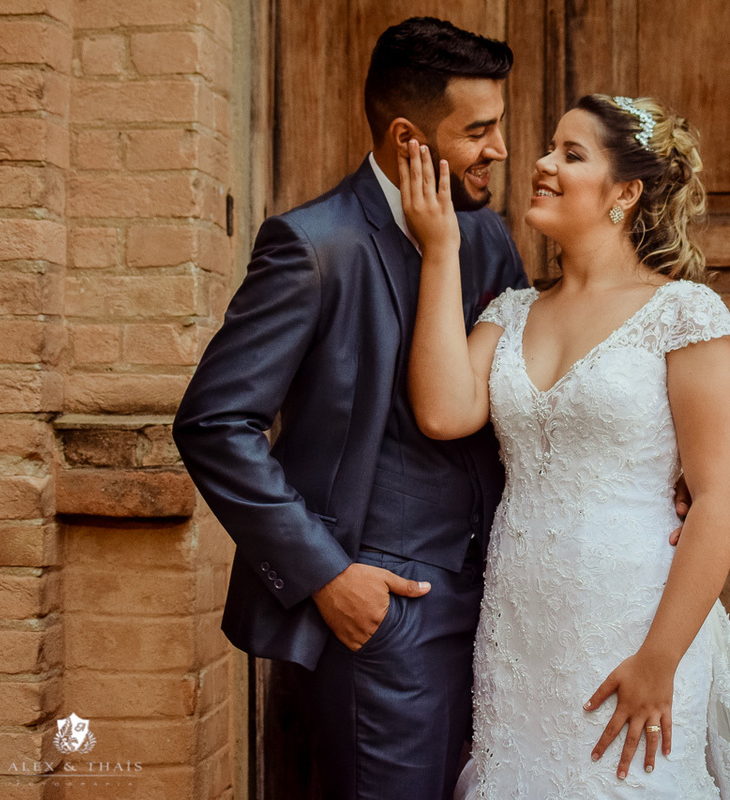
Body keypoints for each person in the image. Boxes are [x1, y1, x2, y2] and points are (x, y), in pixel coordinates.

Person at [172, 18, 528, 800]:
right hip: (384, 617)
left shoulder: (490, 240)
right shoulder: (312, 246)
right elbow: (214, 423)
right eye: (479, 131)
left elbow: (530, 391)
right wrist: (327, 576)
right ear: (409, 136)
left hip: (503, 611)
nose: (500, 149)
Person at [402, 94, 730, 797]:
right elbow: (441, 410)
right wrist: (441, 252)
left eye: (570, 154)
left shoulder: (683, 313)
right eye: (550, 148)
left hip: (635, 622)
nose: (542, 165)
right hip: (520, 629)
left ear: (626, 192)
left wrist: (660, 659)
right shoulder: (512, 311)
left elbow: (722, 496)